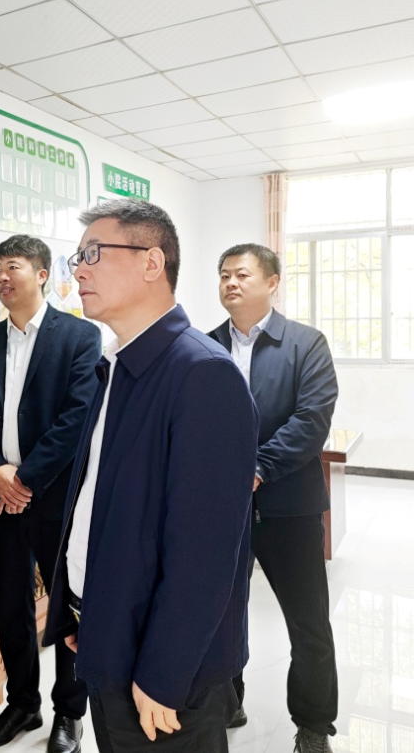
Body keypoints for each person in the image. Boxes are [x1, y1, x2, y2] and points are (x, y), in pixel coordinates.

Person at [42, 198, 258, 752]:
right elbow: (96, 501)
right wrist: (79, 609)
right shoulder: (117, 365)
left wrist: (164, 672)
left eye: (93, 253)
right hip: (108, 630)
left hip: (164, 670)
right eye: (77, 257)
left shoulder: (202, 373)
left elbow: (207, 554)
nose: (78, 271)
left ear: (152, 262)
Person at [0, 235, 102, 753]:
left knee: (66, 604)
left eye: (13, 265)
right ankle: (22, 703)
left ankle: (69, 712)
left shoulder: (80, 337)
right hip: (1, 499)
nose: (2, 275)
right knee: (12, 604)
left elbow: (77, 416)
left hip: (56, 497)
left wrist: (25, 479)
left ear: (41, 274)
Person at [208, 244, 339, 753]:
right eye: (224, 275)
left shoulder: (305, 344)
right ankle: (227, 700)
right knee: (219, 614)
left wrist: (258, 469)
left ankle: (313, 725)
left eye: (242, 274)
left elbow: (312, 420)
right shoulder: (205, 346)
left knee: (308, 623)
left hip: (289, 508)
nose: (231, 283)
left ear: (272, 282)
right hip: (222, 509)